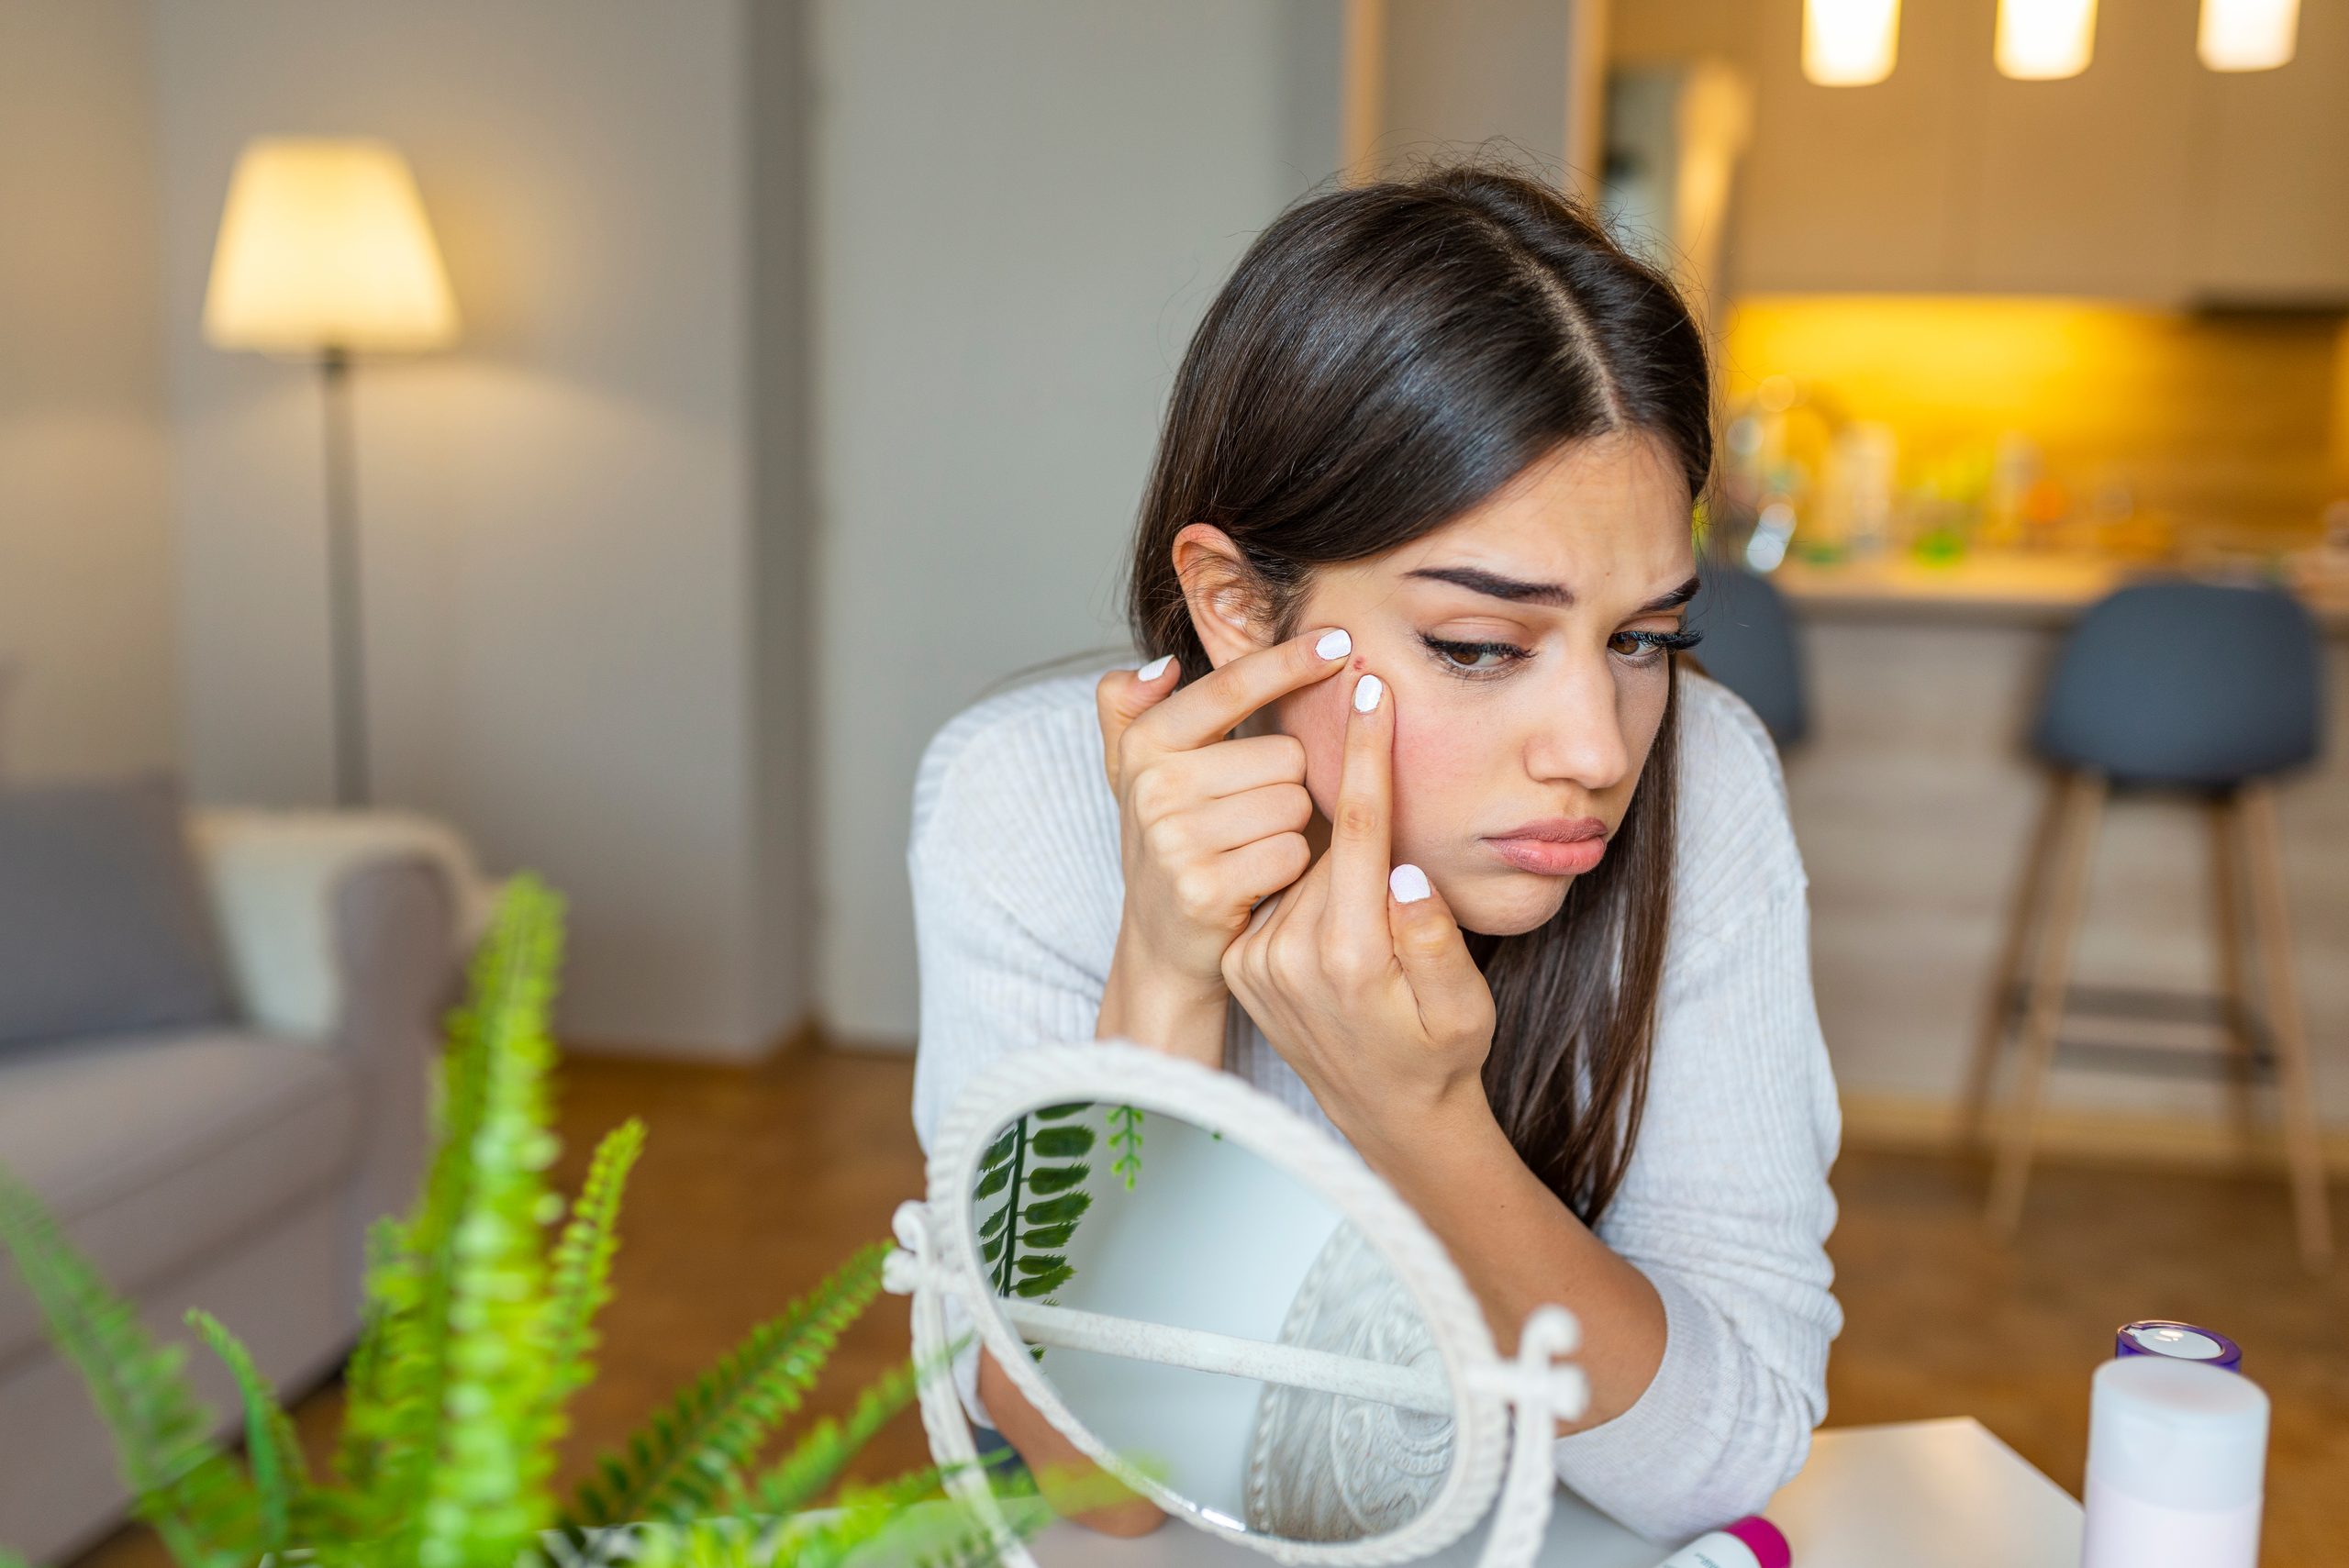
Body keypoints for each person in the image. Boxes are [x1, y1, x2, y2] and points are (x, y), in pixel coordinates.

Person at [907, 164, 1841, 1544]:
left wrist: (1420, 1119)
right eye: (1480, 646)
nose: (1597, 746)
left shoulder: (1710, 784)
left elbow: (1726, 1461)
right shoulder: (1023, 800)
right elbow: (1095, 1492)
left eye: (1644, 638)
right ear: (1233, 604)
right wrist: (1163, 981)